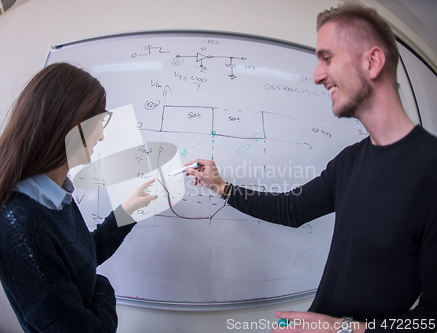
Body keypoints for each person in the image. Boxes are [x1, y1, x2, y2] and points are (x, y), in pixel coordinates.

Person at [185, 3, 437, 333]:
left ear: (373, 62)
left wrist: (340, 329)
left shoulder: (430, 169)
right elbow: (291, 209)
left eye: (327, 58)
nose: (317, 75)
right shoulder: (349, 161)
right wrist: (221, 185)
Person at [0, 63, 156, 333]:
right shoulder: (22, 223)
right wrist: (103, 286)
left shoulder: (55, 193)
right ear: (71, 124)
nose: (102, 132)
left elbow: (85, 256)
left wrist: (127, 211)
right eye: (99, 120)